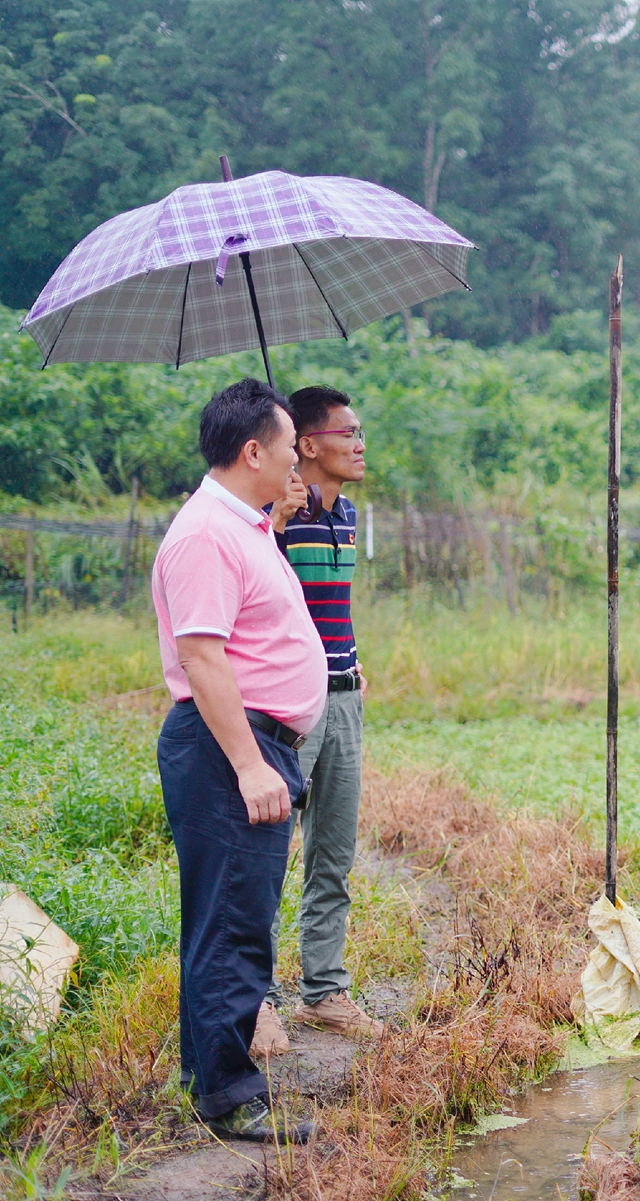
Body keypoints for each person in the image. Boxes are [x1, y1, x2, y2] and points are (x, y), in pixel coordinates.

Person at [151, 379, 323, 1143]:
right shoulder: (204, 534)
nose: (297, 463)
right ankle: (225, 1094)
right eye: (289, 449)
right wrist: (252, 765)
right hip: (231, 750)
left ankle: (216, 1078)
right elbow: (202, 656)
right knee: (230, 924)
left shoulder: (243, 525)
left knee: (237, 915)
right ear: (253, 450)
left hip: (250, 743)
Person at [252, 386, 384, 1053]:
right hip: (289, 701)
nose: (359, 443)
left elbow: (337, 607)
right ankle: (257, 1000)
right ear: (307, 444)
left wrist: (354, 664)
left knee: (332, 849)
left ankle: (324, 990)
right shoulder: (273, 512)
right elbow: (254, 593)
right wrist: (274, 522)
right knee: (268, 853)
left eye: (361, 432)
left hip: (342, 696)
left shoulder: (349, 512)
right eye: (347, 432)